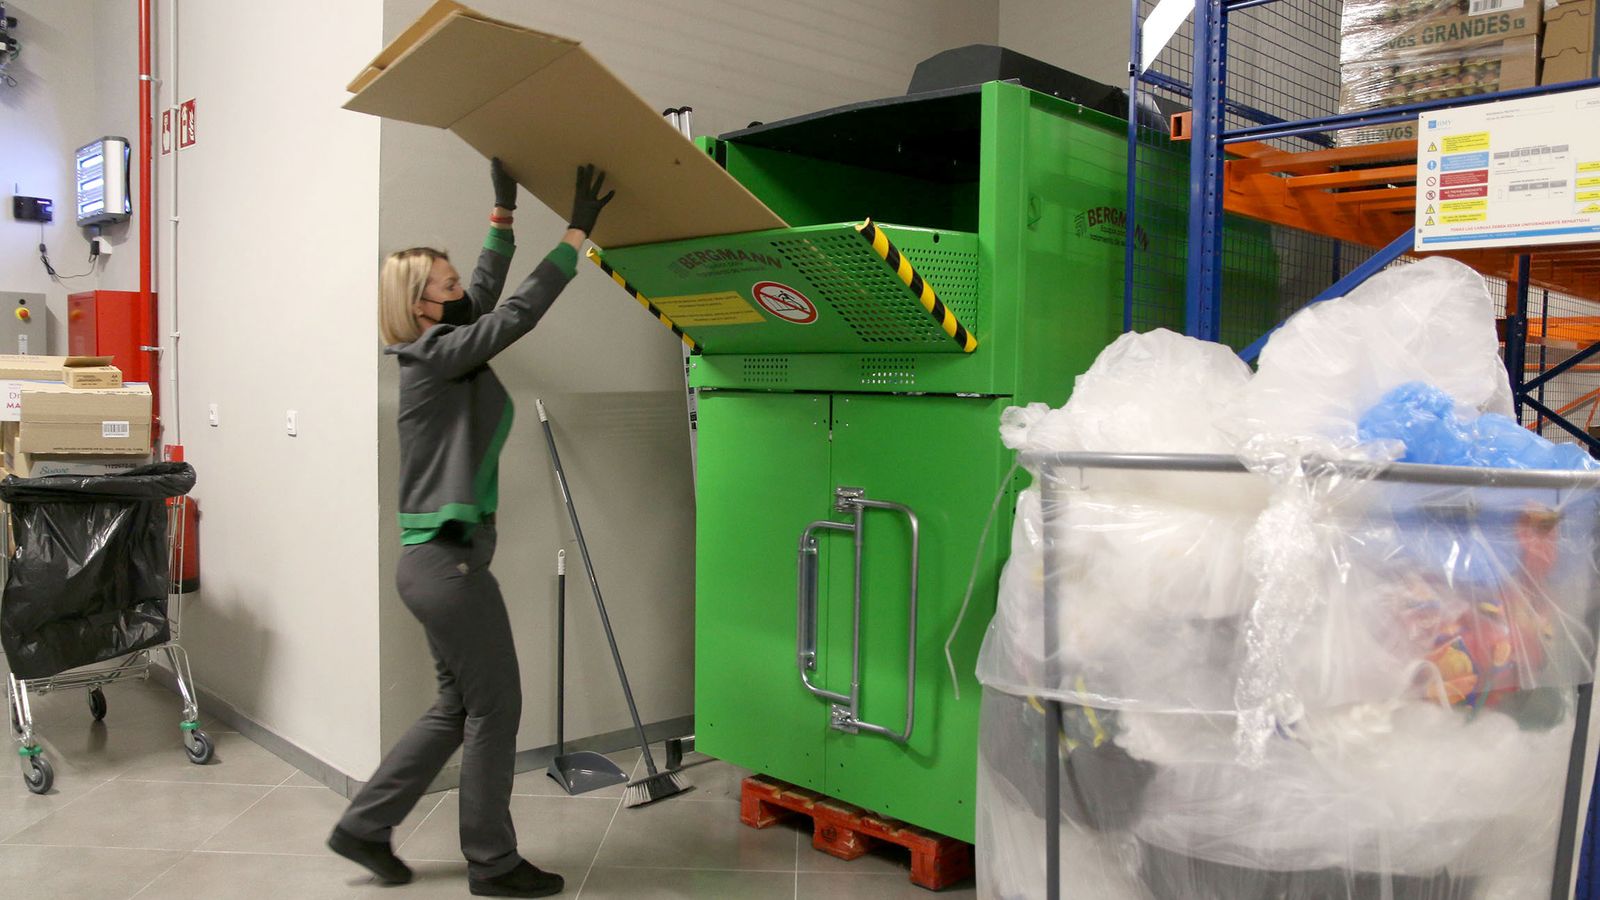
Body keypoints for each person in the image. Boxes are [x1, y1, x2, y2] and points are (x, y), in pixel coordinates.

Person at [329, 158, 613, 898]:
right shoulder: (436, 358)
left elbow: (485, 295)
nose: (461, 292)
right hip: (448, 568)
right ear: (420, 305)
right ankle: (492, 862)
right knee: (495, 707)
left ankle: (365, 825)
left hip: (433, 565)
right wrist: (575, 235)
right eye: (447, 286)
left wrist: (502, 215)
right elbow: (512, 314)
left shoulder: (439, 347)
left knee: (456, 707)